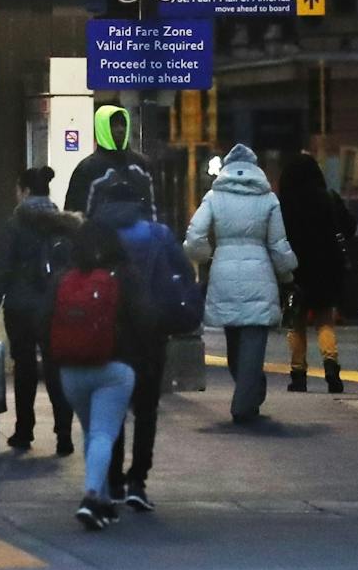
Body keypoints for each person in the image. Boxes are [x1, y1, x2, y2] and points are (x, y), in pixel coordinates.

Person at [94, 180, 203, 513]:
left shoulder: (94, 233)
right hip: (150, 332)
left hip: (106, 335)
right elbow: (184, 274)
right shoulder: (158, 234)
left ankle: (111, 481)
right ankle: (137, 481)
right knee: (146, 410)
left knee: (111, 409)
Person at [45, 220, 151, 531]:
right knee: (104, 433)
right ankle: (91, 496)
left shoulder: (64, 279)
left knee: (91, 432)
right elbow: (145, 320)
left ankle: (103, 503)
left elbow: (44, 320)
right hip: (114, 369)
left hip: (71, 370)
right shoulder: (125, 276)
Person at [184, 144, 298, 424]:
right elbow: (277, 244)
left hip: (223, 269)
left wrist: (205, 257)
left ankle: (250, 391)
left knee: (233, 340)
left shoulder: (214, 196)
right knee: (253, 341)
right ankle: (244, 404)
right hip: (260, 274)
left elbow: (195, 235)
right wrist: (287, 275)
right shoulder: (268, 198)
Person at [0, 166, 77, 455]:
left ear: (24, 191)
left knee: (24, 368)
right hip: (56, 306)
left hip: (20, 307)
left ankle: (24, 431)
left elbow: (0, 269)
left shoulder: (14, 226)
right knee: (56, 368)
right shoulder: (65, 225)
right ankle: (64, 436)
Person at [278, 152, 354, 394]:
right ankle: (331, 367)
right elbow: (349, 227)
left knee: (296, 323)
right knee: (324, 321)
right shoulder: (329, 199)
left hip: (296, 269)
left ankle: (298, 374)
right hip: (326, 269)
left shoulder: (284, 204)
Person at [64, 104, 156, 221]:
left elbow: (155, 206)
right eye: (113, 125)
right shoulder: (87, 169)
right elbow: (75, 214)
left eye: (123, 124)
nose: (120, 129)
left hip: (138, 236)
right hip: (99, 237)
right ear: (102, 128)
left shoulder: (142, 164)